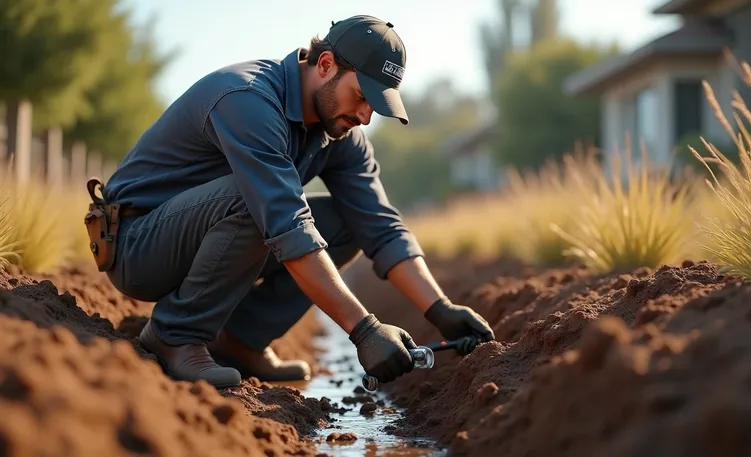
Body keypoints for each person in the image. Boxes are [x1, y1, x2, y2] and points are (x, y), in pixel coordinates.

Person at [96, 14, 495, 389]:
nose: (365, 116)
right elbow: (285, 220)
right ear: (325, 65)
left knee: (346, 220)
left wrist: (441, 309)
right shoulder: (248, 98)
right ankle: (174, 334)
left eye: (375, 106)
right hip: (138, 246)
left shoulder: (340, 133)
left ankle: (239, 341)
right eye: (361, 96)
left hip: (205, 237)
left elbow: (380, 224)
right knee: (258, 200)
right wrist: (365, 330)